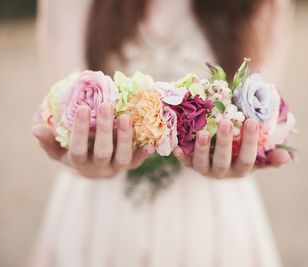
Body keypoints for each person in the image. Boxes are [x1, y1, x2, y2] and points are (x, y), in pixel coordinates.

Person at [31, 0, 293, 266]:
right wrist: (76, 156)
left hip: (212, 212)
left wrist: (246, 152)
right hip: (101, 208)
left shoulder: (265, 4)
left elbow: (262, 114)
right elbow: (63, 107)